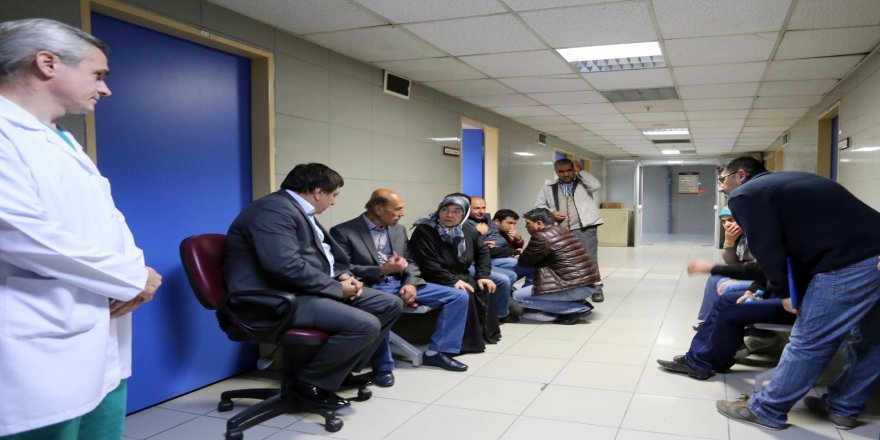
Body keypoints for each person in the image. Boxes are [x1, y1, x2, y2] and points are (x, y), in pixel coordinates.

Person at [0, 18, 163, 439]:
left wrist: (136, 274)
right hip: (35, 346)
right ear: (47, 63)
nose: (105, 89)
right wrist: (132, 278)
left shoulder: (63, 139)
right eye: (98, 74)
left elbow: (109, 220)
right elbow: (19, 233)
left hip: (96, 333)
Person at [712, 156, 880, 431]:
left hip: (850, 265)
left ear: (740, 175)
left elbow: (768, 248)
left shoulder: (746, 194)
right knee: (874, 340)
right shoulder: (796, 181)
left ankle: (767, 409)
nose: (721, 187)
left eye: (722, 180)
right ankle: (843, 407)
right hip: (872, 256)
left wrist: (784, 292)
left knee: (809, 341)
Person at [224, 163, 402, 410]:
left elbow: (322, 256)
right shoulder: (272, 210)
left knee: (389, 304)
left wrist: (343, 276)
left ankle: (335, 373)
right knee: (365, 324)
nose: (334, 201)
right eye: (334, 194)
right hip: (273, 299)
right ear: (318, 191)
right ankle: (308, 384)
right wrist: (336, 289)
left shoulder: (296, 210)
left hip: (301, 291)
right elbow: (285, 266)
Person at [330, 189, 469, 378]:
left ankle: (437, 353)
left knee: (458, 296)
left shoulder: (399, 229)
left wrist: (411, 282)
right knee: (383, 306)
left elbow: (410, 261)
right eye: (398, 209)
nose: (402, 213)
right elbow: (342, 269)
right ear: (379, 209)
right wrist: (381, 270)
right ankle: (383, 367)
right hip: (370, 286)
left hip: (400, 282)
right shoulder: (343, 231)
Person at [657, 260, 795, 380]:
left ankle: (700, 364)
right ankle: (705, 359)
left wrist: (713, 268)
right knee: (725, 300)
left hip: (795, 303)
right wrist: (752, 291)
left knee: (731, 313)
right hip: (782, 292)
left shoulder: (783, 241)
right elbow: (769, 270)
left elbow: (760, 269)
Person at [408, 194, 501, 351]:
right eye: (445, 209)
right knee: (465, 292)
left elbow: (482, 252)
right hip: (433, 277)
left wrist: (483, 276)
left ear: (464, 215)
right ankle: (464, 341)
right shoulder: (425, 230)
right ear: (438, 210)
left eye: (456, 211)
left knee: (485, 287)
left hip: (460, 275)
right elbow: (426, 262)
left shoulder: (467, 229)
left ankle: (485, 333)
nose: (449, 215)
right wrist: (451, 280)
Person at [535, 158, 605, 302]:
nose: (566, 174)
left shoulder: (583, 183)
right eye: (561, 171)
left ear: (573, 170)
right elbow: (539, 205)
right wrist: (551, 213)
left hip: (585, 227)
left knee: (589, 259)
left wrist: (581, 171)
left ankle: (596, 289)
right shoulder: (548, 187)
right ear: (556, 172)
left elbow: (596, 185)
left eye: (569, 170)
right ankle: (572, 289)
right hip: (560, 229)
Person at [512, 208, 597, 325]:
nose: (526, 227)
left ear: (539, 224)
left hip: (575, 287)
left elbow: (525, 261)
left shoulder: (541, 237)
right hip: (587, 284)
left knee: (518, 297)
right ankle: (577, 303)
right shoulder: (562, 230)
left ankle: (577, 308)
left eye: (528, 223)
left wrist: (519, 254)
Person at [466, 197, 528, 321]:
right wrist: (477, 235)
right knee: (505, 278)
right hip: (473, 262)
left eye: (483, 208)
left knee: (522, 266)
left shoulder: (487, 220)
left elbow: (498, 241)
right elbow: (471, 247)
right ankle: (501, 314)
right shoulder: (464, 224)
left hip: (485, 257)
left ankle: (509, 302)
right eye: (477, 208)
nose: (481, 211)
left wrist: (517, 239)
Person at [693, 206, 754, 329]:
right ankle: (709, 320)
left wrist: (737, 278)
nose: (727, 225)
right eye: (723, 221)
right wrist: (729, 243)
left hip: (760, 278)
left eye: (731, 220)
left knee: (726, 285)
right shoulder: (739, 236)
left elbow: (761, 268)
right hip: (747, 272)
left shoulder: (755, 235)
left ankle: (721, 324)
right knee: (714, 278)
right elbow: (731, 262)